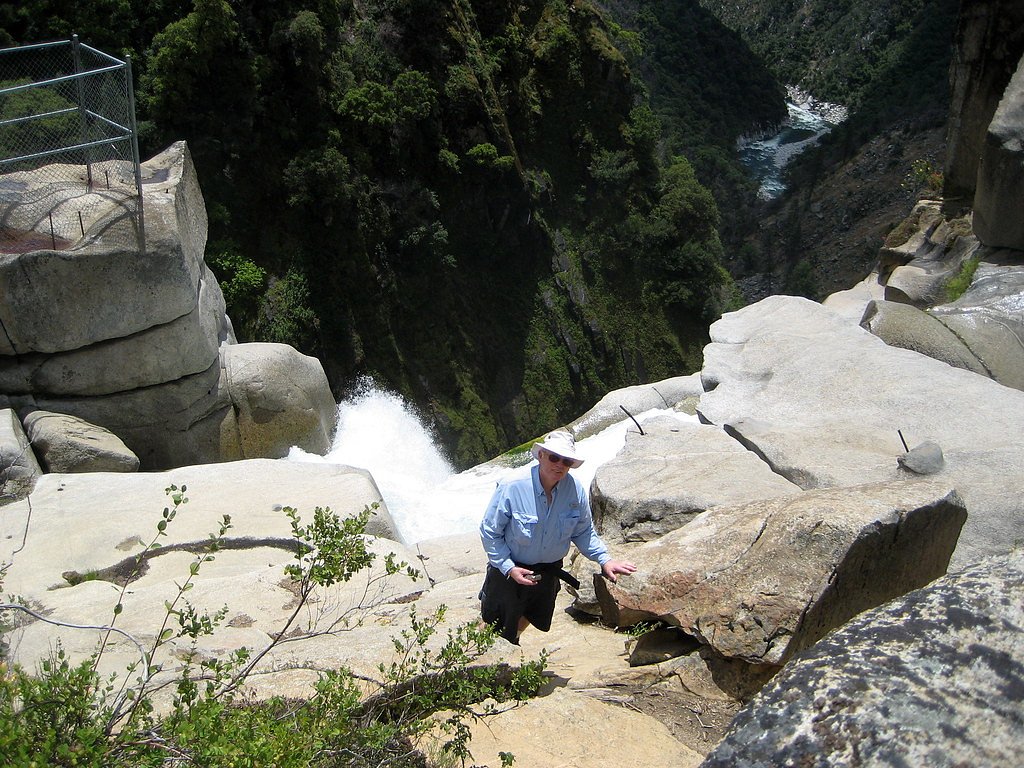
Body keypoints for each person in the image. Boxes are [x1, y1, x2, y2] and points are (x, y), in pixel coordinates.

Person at [479, 429, 637, 644]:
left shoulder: (574, 491)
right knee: (493, 621)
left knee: (532, 615)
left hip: (547, 571)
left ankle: (510, 644)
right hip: (511, 569)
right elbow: (490, 532)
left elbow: (583, 532)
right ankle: (478, 659)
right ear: (541, 455)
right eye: (554, 457)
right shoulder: (512, 486)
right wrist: (508, 567)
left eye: (567, 461)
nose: (560, 464)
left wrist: (605, 560)